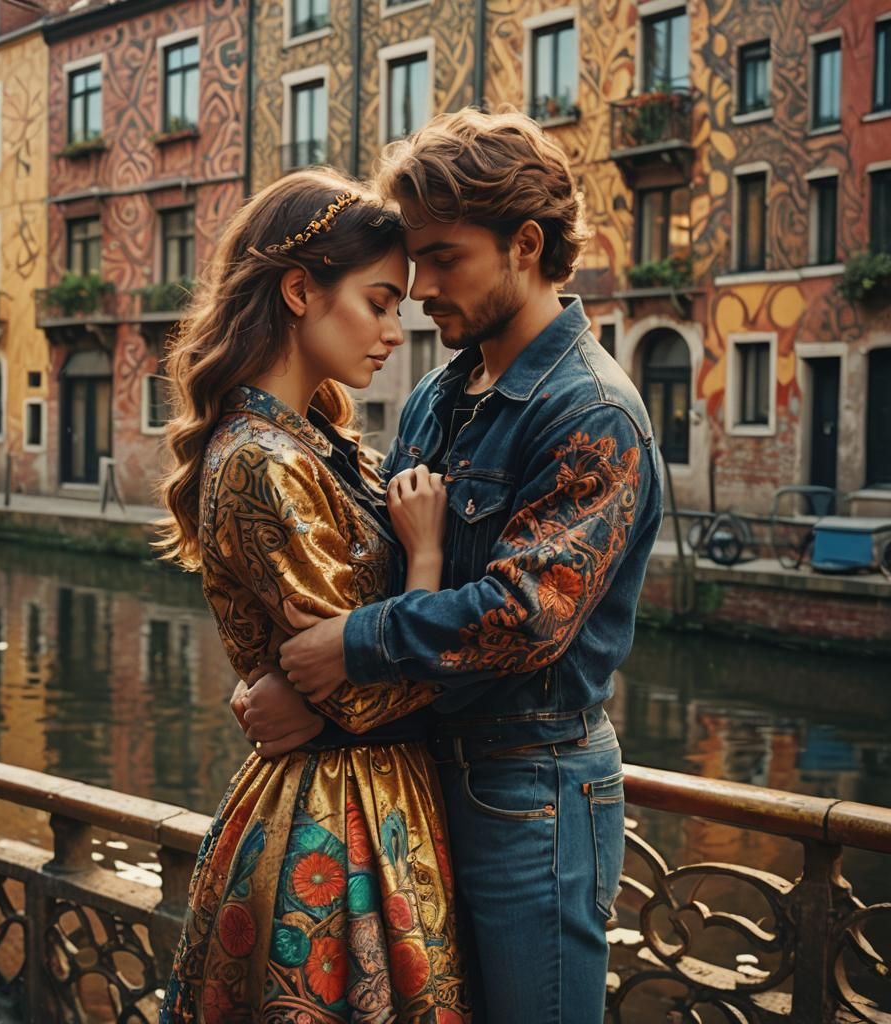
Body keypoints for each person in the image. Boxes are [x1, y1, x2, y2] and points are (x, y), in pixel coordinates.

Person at [238, 109, 665, 1023]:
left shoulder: (591, 412)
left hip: (532, 795)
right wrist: (310, 692)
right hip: (415, 773)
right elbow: (379, 564)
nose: (421, 287)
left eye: (442, 258)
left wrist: (347, 650)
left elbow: (525, 615)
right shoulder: (439, 394)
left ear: (525, 245)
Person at [156, 169, 471, 1023]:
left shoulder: (316, 442)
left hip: (372, 794)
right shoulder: (262, 459)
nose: (394, 331)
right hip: (336, 817)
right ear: (300, 291)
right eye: (378, 302)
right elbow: (361, 687)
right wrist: (427, 557)